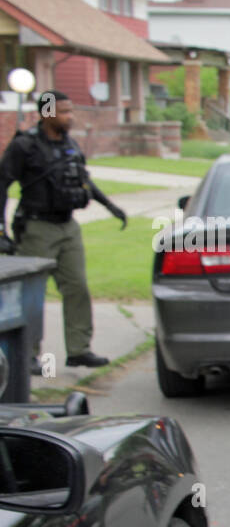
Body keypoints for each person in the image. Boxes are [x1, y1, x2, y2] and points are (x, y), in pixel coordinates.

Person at [0, 91, 128, 371]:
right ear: (46, 114)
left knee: (77, 287)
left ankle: (79, 349)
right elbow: (2, 184)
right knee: (33, 292)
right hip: (36, 227)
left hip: (68, 227)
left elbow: (84, 181)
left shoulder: (70, 144)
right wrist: (1, 231)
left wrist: (111, 206)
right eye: (64, 111)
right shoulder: (24, 146)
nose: (71, 117)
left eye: (71, 111)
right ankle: (28, 355)